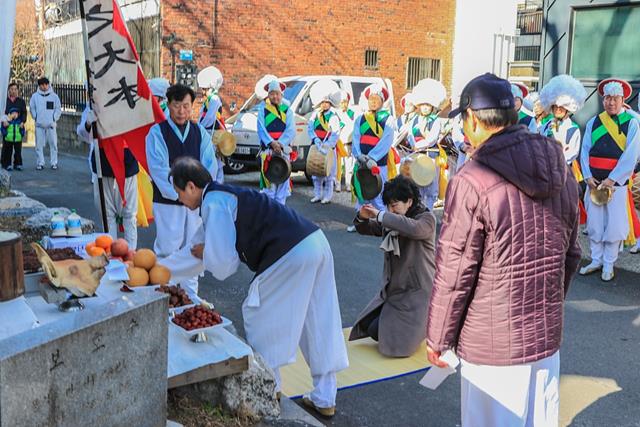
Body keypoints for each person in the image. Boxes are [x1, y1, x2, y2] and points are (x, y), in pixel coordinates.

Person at [426, 73, 581, 427]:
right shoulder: (559, 166)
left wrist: (439, 337)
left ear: (474, 120)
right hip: (544, 341)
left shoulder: (472, 178)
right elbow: (572, 254)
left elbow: (455, 269)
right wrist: (547, 307)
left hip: (492, 347)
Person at [166, 157, 349, 418]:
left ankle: (269, 387)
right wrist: (161, 269)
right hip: (315, 241)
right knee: (318, 317)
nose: (179, 199)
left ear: (192, 187)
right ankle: (325, 395)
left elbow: (223, 263)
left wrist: (208, 253)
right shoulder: (222, 197)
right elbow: (195, 251)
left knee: (261, 313)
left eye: (179, 192)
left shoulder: (214, 203)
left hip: (289, 252)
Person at [350, 175, 435, 357]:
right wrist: (362, 217)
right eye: (388, 205)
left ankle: (429, 324)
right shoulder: (394, 219)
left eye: (395, 205)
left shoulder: (426, 219)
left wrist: (381, 215)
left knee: (391, 343)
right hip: (394, 293)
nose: (391, 210)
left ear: (409, 201)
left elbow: (414, 229)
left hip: (416, 294)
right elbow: (366, 228)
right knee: (370, 328)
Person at [145, 84, 217, 294]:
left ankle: (190, 296)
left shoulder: (199, 132)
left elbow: (209, 165)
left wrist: (197, 194)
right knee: (168, 248)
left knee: (193, 250)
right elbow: (158, 169)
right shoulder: (157, 133)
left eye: (186, 106)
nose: (182, 111)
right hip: (168, 201)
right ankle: (163, 293)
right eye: (177, 106)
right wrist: (179, 193)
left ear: (192, 106)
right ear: (169, 105)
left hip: (194, 202)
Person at [579, 78, 640, 281]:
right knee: (595, 223)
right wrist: (587, 176)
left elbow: (630, 155)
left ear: (623, 99)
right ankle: (596, 260)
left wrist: (612, 180)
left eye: (615, 98)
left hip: (616, 186)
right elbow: (585, 149)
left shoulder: (631, 122)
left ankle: (608, 263)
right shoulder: (593, 122)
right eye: (607, 98)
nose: (611, 102)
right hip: (594, 182)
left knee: (614, 225)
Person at [77, 104, 140, 248]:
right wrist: (88, 124)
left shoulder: (128, 101)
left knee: (129, 215)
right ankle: (112, 256)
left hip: (126, 165)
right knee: (107, 216)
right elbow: (83, 134)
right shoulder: (93, 105)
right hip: (102, 164)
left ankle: (130, 255)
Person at [351, 83, 396, 214]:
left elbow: (386, 141)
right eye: (371, 99)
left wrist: (372, 157)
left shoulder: (388, 119)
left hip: (378, 163)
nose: (373, 102)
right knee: (361, 193)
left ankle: (383, 222)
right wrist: (359, 155)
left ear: (382, 101)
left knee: (378, 194)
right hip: (361, 161)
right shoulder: (360, 118)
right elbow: (355, 138)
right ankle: (361, 222)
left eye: (377, 99)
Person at [406, 78, 447, 210]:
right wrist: (413, 144)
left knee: (430, 186)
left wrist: (419, 145)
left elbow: (432, 138)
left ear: (432, 106)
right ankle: (418, 212)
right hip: (417, 156)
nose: (424, 108)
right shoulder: (414, 119)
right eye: (423, 105)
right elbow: (410, 134)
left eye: (428, 105)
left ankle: (428, 212)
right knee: (417, 184)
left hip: (431, 156)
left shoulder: (436, 120)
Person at [538, 74, 587, 177]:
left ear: (568, 109)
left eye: (562, 107)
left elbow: (572, 153)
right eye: (555, 106)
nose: (558, 109)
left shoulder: (573, 129)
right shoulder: (545, 126)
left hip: (563, 172)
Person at [257, 78, 296, 205]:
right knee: (269, 185)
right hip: (268, 151)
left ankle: (281, 212)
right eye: (272, 93)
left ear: (281, 95)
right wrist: (272, 143)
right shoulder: (262, 109)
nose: (275, 96)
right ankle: (270, 214)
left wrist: (280, 143)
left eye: (277, 94)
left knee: (283, 184)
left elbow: (291, 130)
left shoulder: (288, 110)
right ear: (268, 95)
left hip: (283, 151)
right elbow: (261, 129)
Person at [307, 80, 341, 204]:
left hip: (328, 147)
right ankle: (317, 194)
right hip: (316, 146)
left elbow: (335, 133)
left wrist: (328, 145)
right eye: (323, 102)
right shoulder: (314, 115)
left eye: (327, 102)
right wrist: (315, 139)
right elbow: (310, 128)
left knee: (328, 173)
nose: (325, 105)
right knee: (316, 173)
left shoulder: (333, 116)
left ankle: (328, 196)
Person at [197, 66, 226, 184]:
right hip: (209, 133)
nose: (203, 91)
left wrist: (199, 127)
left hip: (212, 134)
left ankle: (217, 184)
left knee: (215, 161)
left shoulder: (214, 99)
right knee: (214, 161)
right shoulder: (209, 100)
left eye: (204, 89)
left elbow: (209, 118)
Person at [30, 77, 61, 170]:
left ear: (48, 84)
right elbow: (32, 108)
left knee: (53, 144)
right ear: (39, 86)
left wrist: (54, 118)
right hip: (39, 125)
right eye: (42, 85)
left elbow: (58, 108)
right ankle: (40, 162)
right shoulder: (35, 96)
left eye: (46, 84)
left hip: (51, 125)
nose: (44, 86)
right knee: (39, 145)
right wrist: (35, 117)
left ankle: (54, 162)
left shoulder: (54, 96)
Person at [1, 82, 27, 170]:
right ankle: (6, 163)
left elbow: (24, 113)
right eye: (12, 89)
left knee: (18, 148)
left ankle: (18, 163)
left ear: (18, 90)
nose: (14, 91)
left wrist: (23, 122)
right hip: (8, 128)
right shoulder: (5, 101)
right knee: (7, 147)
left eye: (15, 89)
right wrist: (4, 121)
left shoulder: (21, 102)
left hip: (18, 128)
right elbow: (2, 113)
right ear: (8, 90)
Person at [335, 90, 355, 193]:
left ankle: (348, 184)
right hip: (339, 144)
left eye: (345, 101)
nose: (344, 104)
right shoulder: (335, 114)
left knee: (349, 166)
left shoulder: (352, 114)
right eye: (342, 102)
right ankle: (337, 184)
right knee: (338, 165)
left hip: (349, 144)